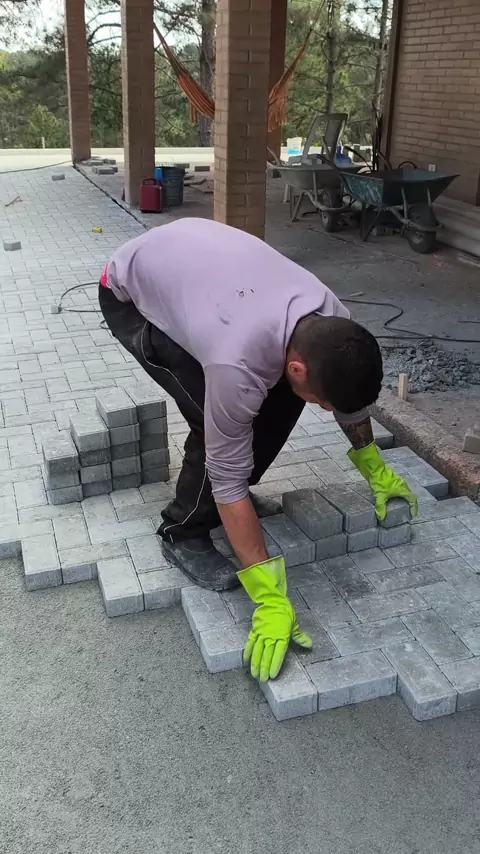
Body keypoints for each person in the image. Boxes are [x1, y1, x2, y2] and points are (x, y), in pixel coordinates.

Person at [99, 217, 418, 683]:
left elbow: (347, 400)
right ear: (296, 366)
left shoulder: (332, 321)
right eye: (325, 403)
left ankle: (226, 513)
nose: (326, 410)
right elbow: (227, 472)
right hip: (132, 297)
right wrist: (269, 597)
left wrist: (375, 468)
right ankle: (183, 532)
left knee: (276, 404)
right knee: (214, 424)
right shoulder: (235, 362)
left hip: (207, 278)